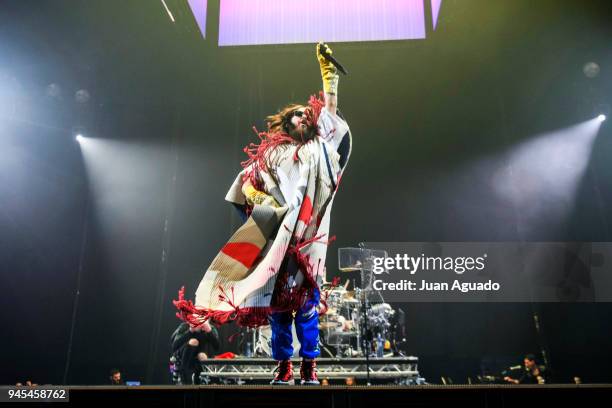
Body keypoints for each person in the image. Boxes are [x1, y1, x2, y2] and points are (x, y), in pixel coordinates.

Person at [174, 42, 352, 386]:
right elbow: (247, 183)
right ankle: (284, 368)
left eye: (305, 114)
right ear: (286, 123)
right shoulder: (275, 155)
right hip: (280, 238)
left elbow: (331, 114)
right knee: (279, 309)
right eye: (294, 115)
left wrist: (328, 76)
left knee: (307, 308)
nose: (301, 117)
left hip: (309, 240)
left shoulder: (319, 149)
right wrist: (262, 201)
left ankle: (309, 369)